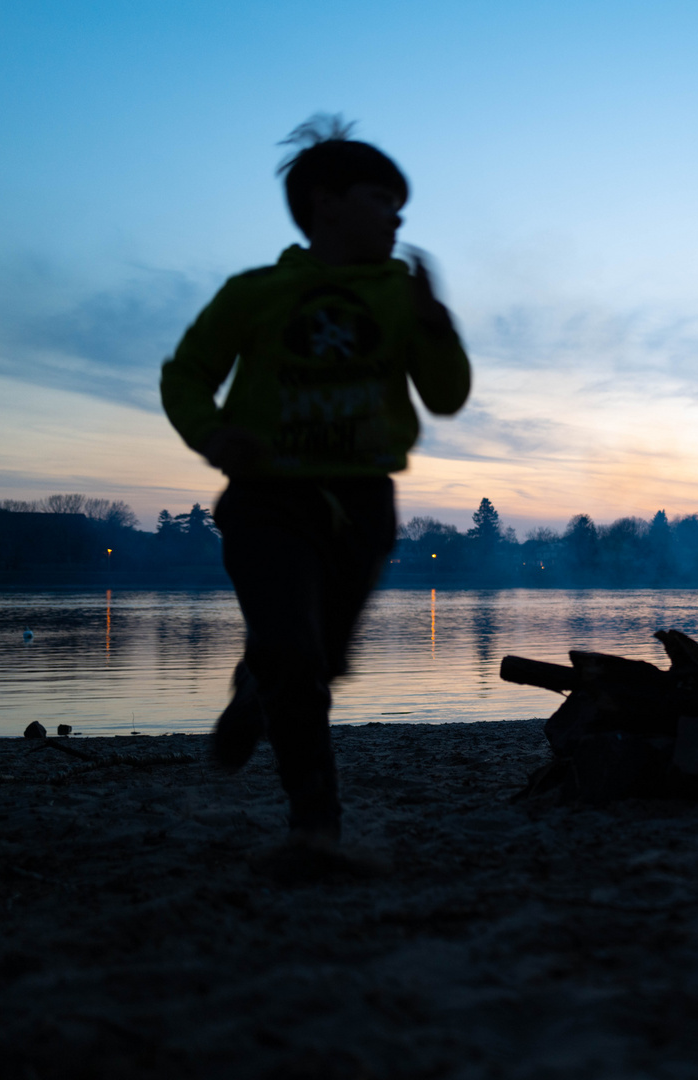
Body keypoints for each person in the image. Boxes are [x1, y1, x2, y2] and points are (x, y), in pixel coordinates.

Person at [160, 116, 472, 847]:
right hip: (268, 500)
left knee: (321, 659)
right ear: (325, 205)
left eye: (400, 204)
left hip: (364, 503)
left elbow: (448, 396)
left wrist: (435, 324)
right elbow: (188, 375)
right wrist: (211, 435)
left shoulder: (402, 299)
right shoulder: (256, 293)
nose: (397, 216)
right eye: (380, 199)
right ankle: (316, 826)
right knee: (295, 656)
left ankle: (254, 695)